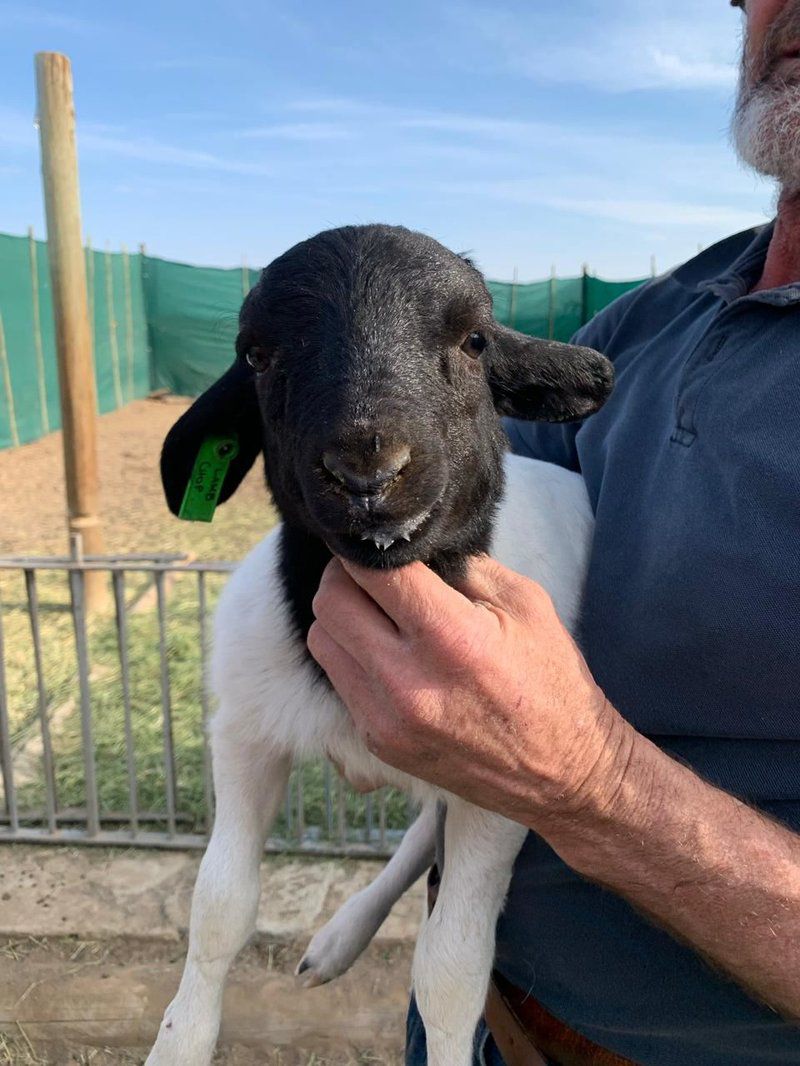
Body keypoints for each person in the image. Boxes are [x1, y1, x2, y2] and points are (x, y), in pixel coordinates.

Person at [307, 0, 800, 1062]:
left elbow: (558, 758)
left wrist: (589, 785)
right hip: (472, 1022)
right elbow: (454, 554)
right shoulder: (650, 320)